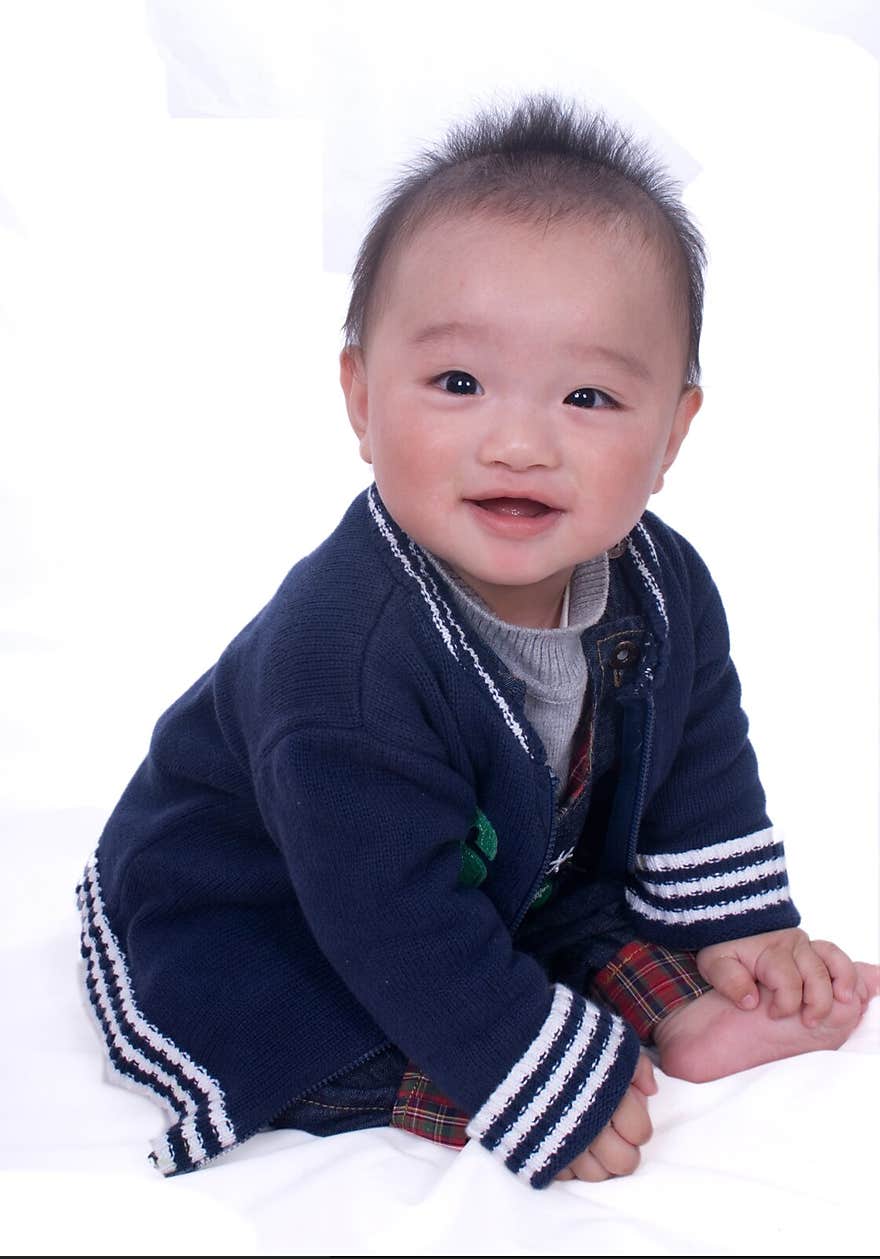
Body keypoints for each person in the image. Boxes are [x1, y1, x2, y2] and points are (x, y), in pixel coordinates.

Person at [76, 93, 878, 1190]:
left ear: (672, 433)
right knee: (325, 1021)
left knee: (567, 919)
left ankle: (677, 1010)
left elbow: (700, 754)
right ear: (360, 397)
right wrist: (515, 1066)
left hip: (489, 869)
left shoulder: (663, 580)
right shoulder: (343, 661)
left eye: (588, 396)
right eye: (457, 384)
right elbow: (389, 915)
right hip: (273, 896)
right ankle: (482, 1052)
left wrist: (735, 925)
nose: (517, 442)